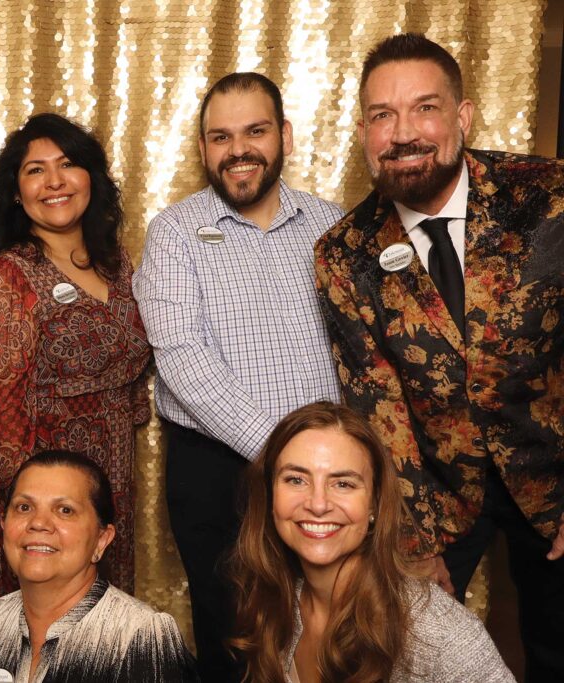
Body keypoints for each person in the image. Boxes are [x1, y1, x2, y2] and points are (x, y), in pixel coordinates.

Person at [314, 32, 564, 681]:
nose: (403, 133)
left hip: (553, 470)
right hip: (438, 491)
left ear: (462, 115)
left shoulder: (548, 197)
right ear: (363, 132)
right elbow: (377, 402)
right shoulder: (345, 252)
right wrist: (414, 541)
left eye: (424, 108)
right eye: (382, 115)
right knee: (410, 655)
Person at [132, 73, 342, 681]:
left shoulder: (332, 226)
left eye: (255, 131)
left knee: (330, 631)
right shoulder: (174, 231)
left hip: (329, 470)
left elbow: (360, 352)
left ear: (285, 137)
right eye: (221, 137)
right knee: (234, 642)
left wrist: (323, 463)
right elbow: (182, 357)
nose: (238, 149)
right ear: (203, 148)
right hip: (217, 472)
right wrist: (285, 455)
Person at [0, 113, 151, 599]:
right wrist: (35, 511)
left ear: (91, 177)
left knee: (104, 627)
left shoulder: (117, 264)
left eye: (68, 164)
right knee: (46, 622)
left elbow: (133, 367)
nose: (54, 181)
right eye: (36, 170)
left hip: (111, 486)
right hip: (46, 498)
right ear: (16, 192)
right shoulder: (9, 275)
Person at [231, 401, 514, 683]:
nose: (317, 504)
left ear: (374, 504)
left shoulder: (439, 634)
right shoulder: (278, 597)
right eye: (296, 480)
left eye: (343, 484)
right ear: (270, 495)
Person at [0, 450, 199, 682]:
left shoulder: (140, 635)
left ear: (101, 540)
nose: (38, 523)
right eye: (24, 507)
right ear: (3, 525)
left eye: (65, 510)